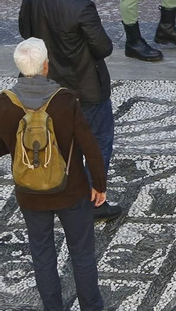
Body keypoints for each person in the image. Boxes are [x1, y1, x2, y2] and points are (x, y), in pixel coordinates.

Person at [1, 38, 107, 311]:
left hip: (30, 193)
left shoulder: (5, 103)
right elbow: (89, 144)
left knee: (42, 255)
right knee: (82, 254)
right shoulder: (65, 99)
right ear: (46, 65)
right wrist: (99, 184)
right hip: (70, 190)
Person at [16, 0, 118, 222]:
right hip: (85, 89)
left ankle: (55, 191)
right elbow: (103, 47)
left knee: (57, 141)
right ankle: (91, 202)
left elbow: (26, 32)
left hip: (47, 86)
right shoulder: (81, 6)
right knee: (98, 143)